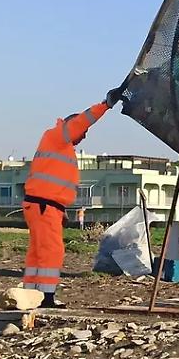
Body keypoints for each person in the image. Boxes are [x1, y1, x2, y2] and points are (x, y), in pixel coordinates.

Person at [22, 88, 122, 307]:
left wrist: (61, 210)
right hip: (44, 205)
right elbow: (82, 122)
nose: (83, 137)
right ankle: (46, 297)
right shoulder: (58, 136)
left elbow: (52, 183)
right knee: (51, 251)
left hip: (43, 205)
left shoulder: (57, 143)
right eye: (82, 133)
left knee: (38, 251)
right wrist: (105, 105)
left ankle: (31, 295)